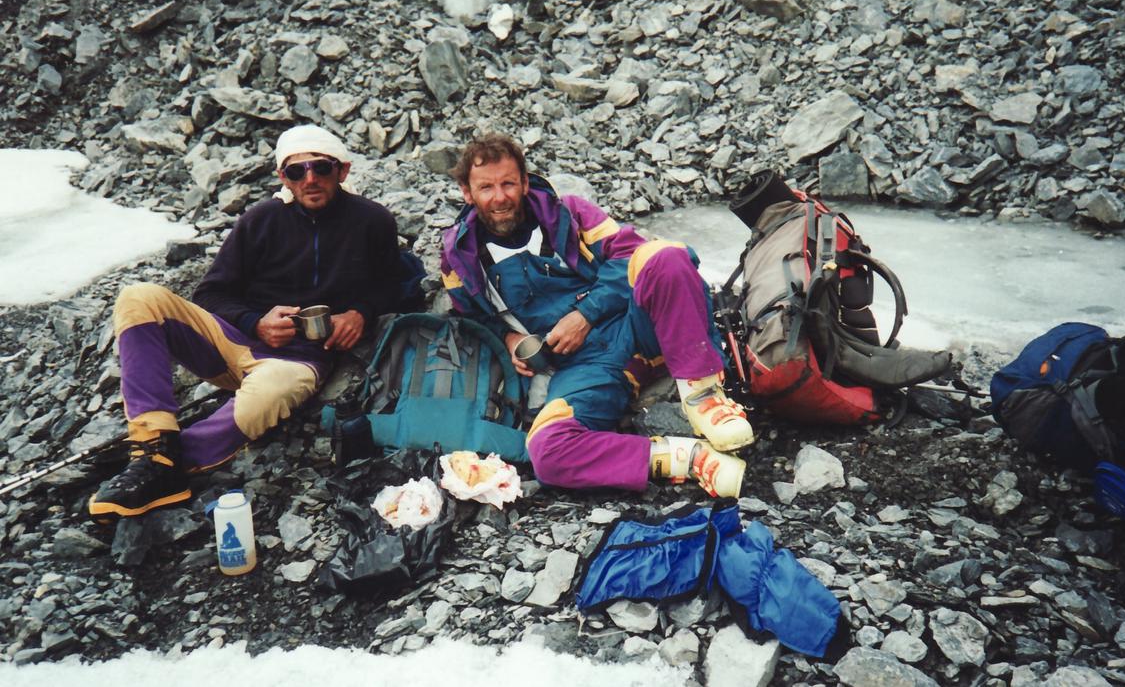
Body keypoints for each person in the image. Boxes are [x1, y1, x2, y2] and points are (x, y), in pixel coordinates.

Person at [88, 125, 426, 520]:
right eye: (297, 172)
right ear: (283, 178)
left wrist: (361, 313)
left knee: (264, 401)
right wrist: (255, 322)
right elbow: (211, 294)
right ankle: (150, 442)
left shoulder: (372, 221)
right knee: (138, 297)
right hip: (235, 341)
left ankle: (163, 466)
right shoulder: (260, 220)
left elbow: (397, 284)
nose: (310, 179)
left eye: (321, 167)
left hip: (299, 358)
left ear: (343, 171)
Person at [440, 133, 753, 498]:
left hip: (638, 324)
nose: (500, 197)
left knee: (666, 256)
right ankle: (687, 459)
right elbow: (472, 319)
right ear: (467, 192)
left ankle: (704, 397)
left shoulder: (569, 214)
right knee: (546, 450)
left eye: (509, 183)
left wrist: (586, 314)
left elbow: (629, 254)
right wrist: (509, 339)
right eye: (486, 187)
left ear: (525, 182)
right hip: (585, 367)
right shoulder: (459, 257)